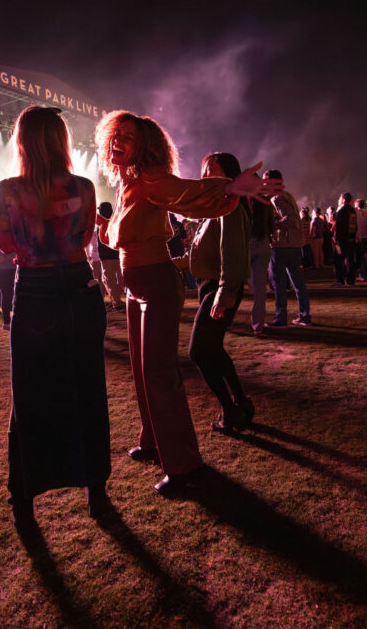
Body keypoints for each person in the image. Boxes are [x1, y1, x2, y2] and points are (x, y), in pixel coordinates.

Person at [94, 110, 279, 496]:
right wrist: (97, 224)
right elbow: (117, 238)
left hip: (158, 286)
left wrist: (228, 189)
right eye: (117, 134)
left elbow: (185, 194)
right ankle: (152, 440)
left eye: (128, 136)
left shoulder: (150, 179)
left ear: (144, 147)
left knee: (160, 374)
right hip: (134, 289)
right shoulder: (127, 185)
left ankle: (184, 465)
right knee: (143, 372)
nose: (118, 140)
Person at [0, 105, 111, 525]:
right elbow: (85, 237)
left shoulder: (7, 191)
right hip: (79, 289)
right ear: (62, 141)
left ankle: (23, 496)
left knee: (30, 397)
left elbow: (5, 245)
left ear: (21, 141)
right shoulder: (83, 185)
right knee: (88, 391)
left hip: (36, 292)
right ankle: (96, 488)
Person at [185, 152, 255, 433]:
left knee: (198, 352)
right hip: (209, 286)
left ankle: (231, 410)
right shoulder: (216, 204)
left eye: (210, 170)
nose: (205, 176)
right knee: (212, 348)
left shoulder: (230, 203)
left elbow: (233, 253)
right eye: (203, 170)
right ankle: (240, 402)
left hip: (219, 287)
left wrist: (224, 295)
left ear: (228, 173)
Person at [267, 170, 312, 326]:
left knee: (279, 284)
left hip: (281, 246)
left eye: (267, 181)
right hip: (294, 245)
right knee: (298, 283)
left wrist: (271, 225)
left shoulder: (276, 199)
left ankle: (280, 318)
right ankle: (305, 316)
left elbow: (290, 220)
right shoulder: (288, 196)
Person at [248, 193, 274, 335]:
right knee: (260, 290)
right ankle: (258, 325)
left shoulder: (242, 201)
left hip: (247, 243)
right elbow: (271, 225)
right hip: (263, 242)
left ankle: (224, 320)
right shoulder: (265, 202)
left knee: (233, 284)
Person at [97, 202, 125, 311]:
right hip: (118, 254)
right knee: (118, 279)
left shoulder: (102, 223)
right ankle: (116, 300)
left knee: (109, 280)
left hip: (106, 257)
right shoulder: (116, 221)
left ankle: (116, 303)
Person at [0, 239, 16, 330]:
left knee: (14, 295)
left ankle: (12, 320)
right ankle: (6, 322)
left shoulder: (13, 241)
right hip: (2, 272)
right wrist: (10, 257)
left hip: (13, 271)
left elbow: (15, 256)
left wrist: (6, 257)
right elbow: (0, 260)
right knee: (6, 295)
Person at [331, 192, 357, 286]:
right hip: (351, 239)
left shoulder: (342, 211)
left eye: (339, 198)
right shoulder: (352, 211)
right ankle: (350, 280)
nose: (338, 200)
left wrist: (336, 239)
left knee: (338, 260)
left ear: (344, 200)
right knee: (350, 260)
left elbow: (340, 227)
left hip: (342, 240)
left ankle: (340, 280)